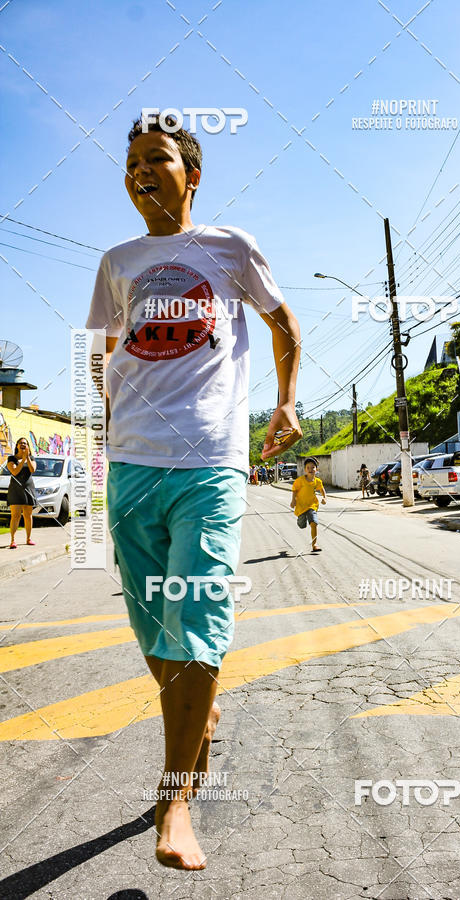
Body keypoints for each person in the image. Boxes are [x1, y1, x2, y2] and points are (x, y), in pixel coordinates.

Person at [86, 113, 302, 871]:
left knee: (198, 612)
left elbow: (284, 325)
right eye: (133, 161)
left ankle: (175, 796)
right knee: (155, 631)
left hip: (210, 461)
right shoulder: (116, 261)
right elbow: (103, 350)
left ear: (193, 174)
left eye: (159, 158)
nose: (143, 169)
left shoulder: (229, 247)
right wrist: (104, 413)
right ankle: (198, 709)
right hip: (130, 466)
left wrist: (284, 401)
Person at [291, 457, 326, 551]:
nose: (310, 469)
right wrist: (293, 500)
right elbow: (294, 490)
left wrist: (324, 498)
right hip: (301, 507)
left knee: (314, 523)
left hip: (312, 506)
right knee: (302, 525)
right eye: (308, 468)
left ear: (316, 469)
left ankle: (314, 545)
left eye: (313, 467)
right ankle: (301, 520)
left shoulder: (317, 481)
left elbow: (322, 490)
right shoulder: (300, 480)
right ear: (305, 469)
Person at [7, 438, 37, 549]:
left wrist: (27, 458)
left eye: (25, 443)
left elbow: (32, 469)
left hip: (28, 488)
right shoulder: (12, 458)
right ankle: (13, 540)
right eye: (21, 443)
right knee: (15, 516)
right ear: (17, 446)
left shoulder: (31, 458)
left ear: (28, 446)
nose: (23, 445)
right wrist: (22, 460)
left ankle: (28, 538)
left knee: (28, 515)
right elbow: (14, 472)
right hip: (15, 490)